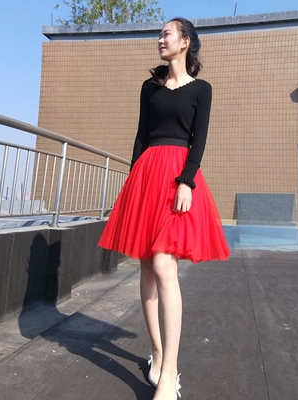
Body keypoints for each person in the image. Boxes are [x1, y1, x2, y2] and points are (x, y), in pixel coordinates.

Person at [98, 17, 230, 400]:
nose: (160, 39)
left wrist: (187, 180)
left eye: (166, 34)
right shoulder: (150, 88)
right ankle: (156, 353)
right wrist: (131, 184)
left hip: (177, 177)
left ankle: (169, 373)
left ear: (185, 42)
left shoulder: (201, 89)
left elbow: (198, 138)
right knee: (145, 265)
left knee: (163, 265)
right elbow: (141, 136)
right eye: (159, 34)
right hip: (146, 176)